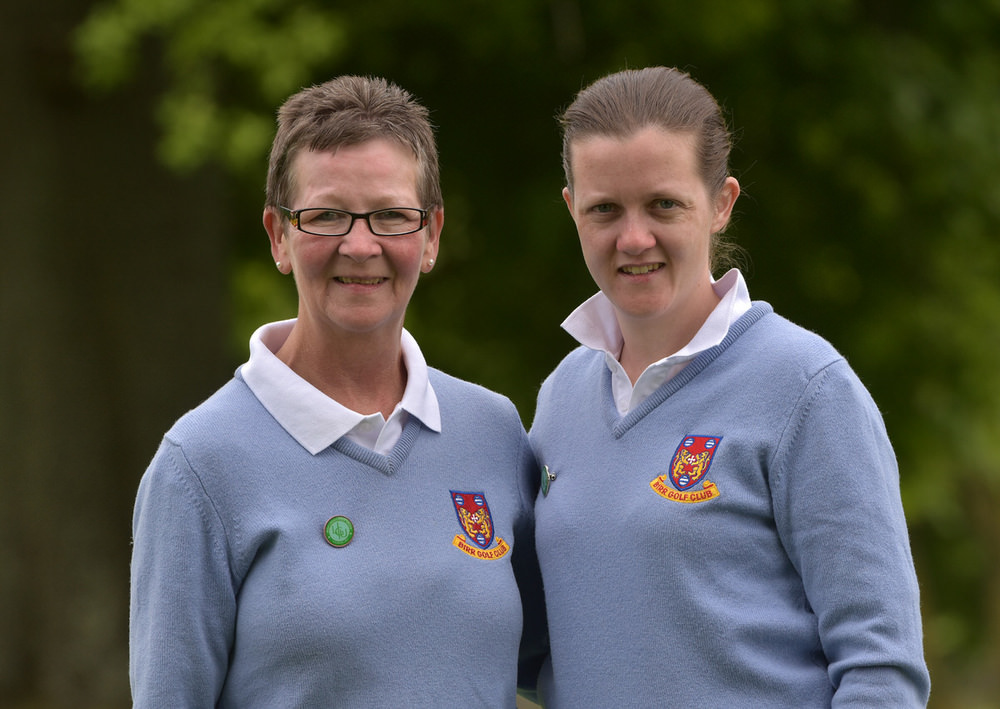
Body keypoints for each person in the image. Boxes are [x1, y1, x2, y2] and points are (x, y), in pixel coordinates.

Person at [129, 75, 544, 708]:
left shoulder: (491, 431)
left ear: (431, 234)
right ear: (278, 235)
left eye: (391, 215)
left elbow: (559, 660)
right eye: (325, 216)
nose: (359, 244)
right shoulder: (199, 466)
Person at [528, 67, 930, 707]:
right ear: (572, 208)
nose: (634, 238)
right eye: (605, 208)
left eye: (663, 204)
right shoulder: (561, 398)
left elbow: (881, 668)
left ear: (721, 204)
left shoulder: (807, 389)